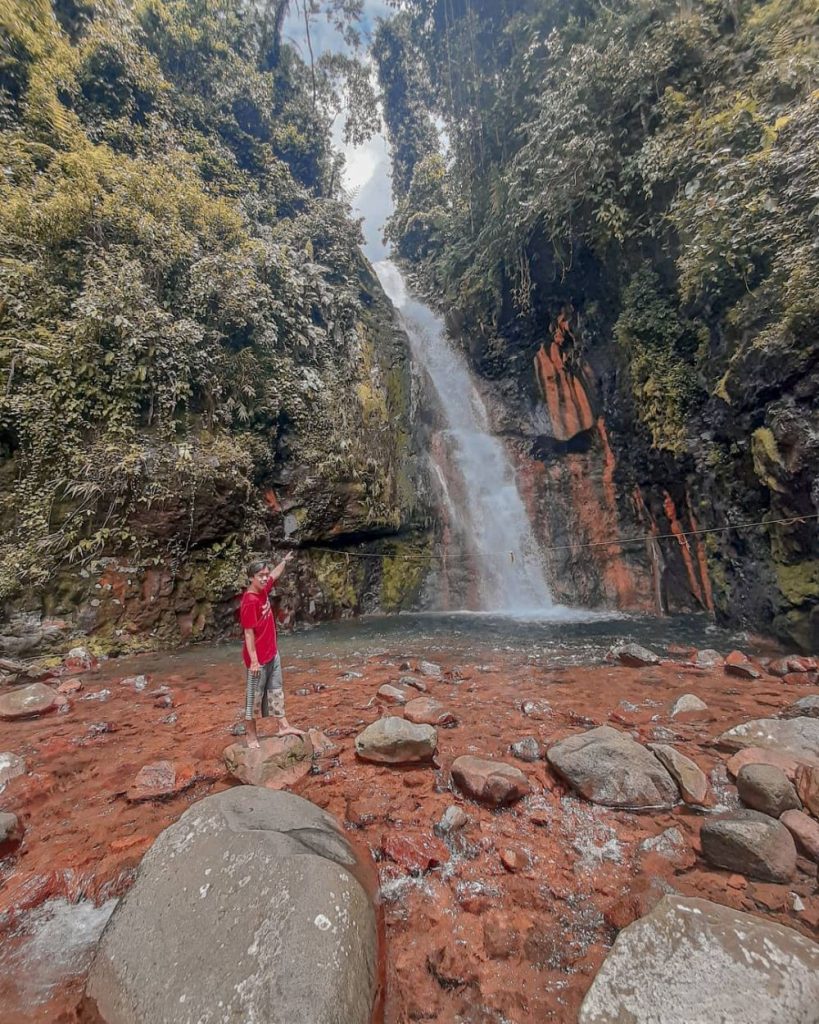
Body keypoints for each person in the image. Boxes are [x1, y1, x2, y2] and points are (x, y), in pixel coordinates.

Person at [240, 555, 303, 748]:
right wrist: (254, 661)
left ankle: (283, 726)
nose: (265, 578)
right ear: (251, 577)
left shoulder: (263, 589)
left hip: (272, 653)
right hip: (257, 659)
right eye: (261, 575)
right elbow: (248, 634)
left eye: (265, 574)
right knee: (254, 698)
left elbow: (275, 574)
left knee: (276, 691)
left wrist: (284, 560)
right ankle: (250, 736)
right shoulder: (250, 601)